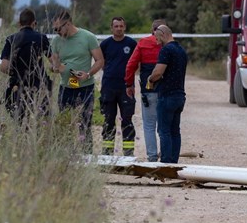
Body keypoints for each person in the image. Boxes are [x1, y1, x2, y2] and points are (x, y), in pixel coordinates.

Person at [49, 10, 104, 148]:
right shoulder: (56, 41)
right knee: (64, 122)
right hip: (66, 88)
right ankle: (66, 155)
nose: (57, 32)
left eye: (58, 29)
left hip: (85, 87)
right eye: (54, 30)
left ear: (67, 24)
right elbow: (54, 64)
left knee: (85, 123)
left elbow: (99, 60)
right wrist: (54, 68)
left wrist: (88, 74)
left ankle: (86, 153)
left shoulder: (88, 37)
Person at [0, 8, 52, 122]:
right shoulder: (41, 38)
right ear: (34, 23)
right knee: (38, 120)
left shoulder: (11, 39)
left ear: (19, 24)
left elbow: (3, 67)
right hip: (38, 86)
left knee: (20, 121)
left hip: (17, 86)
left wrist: (15, 73)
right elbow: (54, 62)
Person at [125, 18, 166, 161]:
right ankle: (166, 155)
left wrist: (129, 84)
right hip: (166, 91)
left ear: (152, 29)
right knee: (164, 126)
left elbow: (131, 65)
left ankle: (152, 156)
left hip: (148, 91)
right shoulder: (169, 44)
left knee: (149, 125)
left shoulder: (143, 43)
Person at [147, 24, 188, 163]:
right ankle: (174, 162)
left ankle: (166, 162)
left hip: (167, 96)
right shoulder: (181, 50)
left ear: (163, 34)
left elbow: (158, 72)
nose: (157, 43)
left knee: (164, 131)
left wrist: (150, 79)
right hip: (180, 96)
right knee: (175, 131)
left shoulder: (166, 50)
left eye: (158, 39)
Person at [100, 16, 137, 155]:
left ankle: (128, 152)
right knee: (109, 120)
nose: (119, 29)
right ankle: (107, 152)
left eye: (121, 26)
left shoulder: (132, 44)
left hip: (126, 88)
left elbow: (136, 64)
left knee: (127, 120)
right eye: (116, 26)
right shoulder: (105, 44)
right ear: (112, 28)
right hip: (108, 87)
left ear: (125, 27)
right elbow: (101, 62)